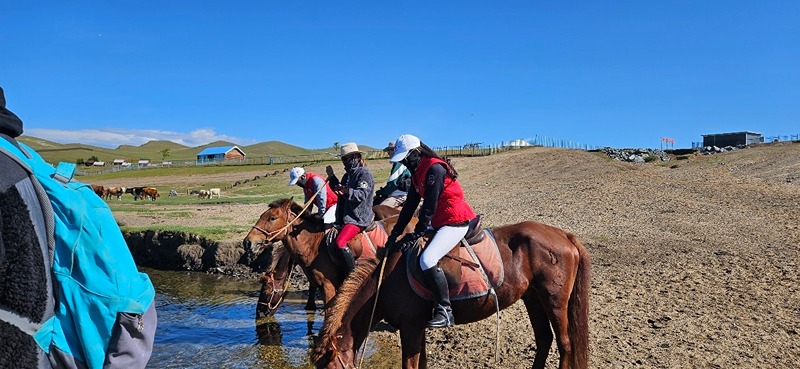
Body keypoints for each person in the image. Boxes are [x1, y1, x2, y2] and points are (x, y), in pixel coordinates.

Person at [386, 134, 476, 328]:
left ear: (416, 152)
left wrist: (418, 232)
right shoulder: (418, 171)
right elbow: (410, 205)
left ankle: (445, 309)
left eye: (405, 158)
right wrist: (395, 234)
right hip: (438, 221)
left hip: (455, 220)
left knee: (427, 260)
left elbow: (429, 206)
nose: (403, 162)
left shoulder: (435, 168)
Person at [325, 142, 374, 274]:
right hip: (346, 216)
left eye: (347, 159)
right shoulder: (348, 176)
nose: (345, 162)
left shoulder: (364, 174)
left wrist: (347, 191)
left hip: (358, 217)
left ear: (356, 158)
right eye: (343, 159)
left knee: (340, 243)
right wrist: (332, 177)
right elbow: (339, 189)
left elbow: (362, 194)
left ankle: (352, 275)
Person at [373, 141, 411, 208]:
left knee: (379, 209)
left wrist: (380, 192)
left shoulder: (400, 163)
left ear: (396, 150)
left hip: (399, 195)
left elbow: (393, 184)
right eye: (388, 150)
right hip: (399, 193)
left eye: (391, 150)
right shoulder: (400, 162)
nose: (388, 152)